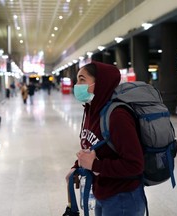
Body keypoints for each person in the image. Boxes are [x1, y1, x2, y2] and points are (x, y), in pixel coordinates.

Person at [62, 61, 145, 216]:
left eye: (82, 79)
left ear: (99, 83)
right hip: (103, 192)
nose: (76, 85)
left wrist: (95, 165)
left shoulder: (117, 116)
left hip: (123, 198)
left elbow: (135, 165)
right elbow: (94, 147)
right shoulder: (91, 111)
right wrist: (78, 166)